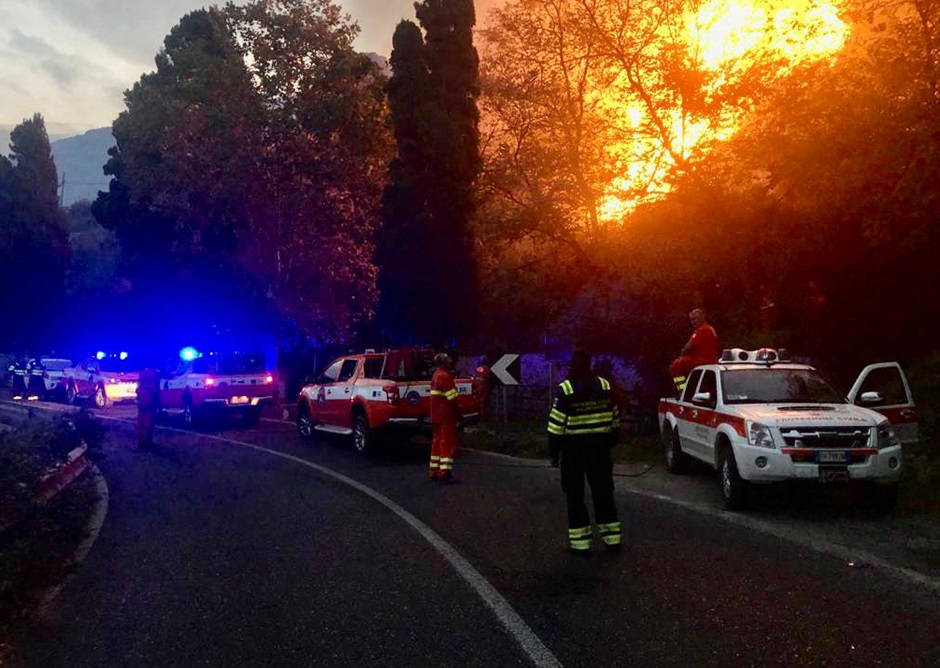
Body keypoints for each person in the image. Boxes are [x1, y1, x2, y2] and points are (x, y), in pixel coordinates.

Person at [547, 348, 622, 556]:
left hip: (574, 454)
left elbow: (555, 427)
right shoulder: (604, 385)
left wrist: (553, 454)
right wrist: (611, 440)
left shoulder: (566, 389)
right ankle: (612, 539)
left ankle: (581, 544)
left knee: (575, 497)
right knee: (604, 493)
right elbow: (614, 417)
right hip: (600, 452)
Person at [669, 308, 719, 394]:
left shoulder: (701, 330)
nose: (694, 321)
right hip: (712, 359)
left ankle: (682, 390)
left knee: (675, 366)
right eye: (692, 319)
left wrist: (682, 353)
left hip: (701, 359)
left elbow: (689, 346)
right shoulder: (710, 328)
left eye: (696, 318)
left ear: (702, 317)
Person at [428, 352, 461, 482]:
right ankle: (444, 472)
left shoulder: (436, 375)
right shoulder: (445, 377)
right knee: (447, 443)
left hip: (436, 416)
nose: (451, 361)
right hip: (446, 416)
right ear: (443, 362)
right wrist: (459, 414)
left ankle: (434, 471)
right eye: (448, 359)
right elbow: (452, 398)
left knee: (437, 442)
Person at [136, 367, 161, 451]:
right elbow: (156, 388)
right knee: (148, 422)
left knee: (142, 422)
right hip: (149, 401)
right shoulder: (155, 373)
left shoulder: (142, 373)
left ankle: (143, 442)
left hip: (143, 401)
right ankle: (147, 442)